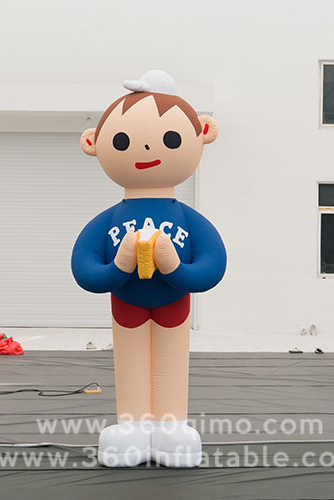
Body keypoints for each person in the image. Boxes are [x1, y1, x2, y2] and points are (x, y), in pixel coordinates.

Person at [72, 70, 226, 467]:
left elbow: (213, 265)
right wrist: (118, 266)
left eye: (171, 139)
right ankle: (133, 426)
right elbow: (84, 268)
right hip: (127, 304)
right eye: (123, 142)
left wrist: (175, 268)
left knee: (172, 364)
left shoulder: (187, 217)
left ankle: (171, 425)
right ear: (93, 143)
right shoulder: (110, 218)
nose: (143, 149)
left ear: (203, 133)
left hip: (174, 304)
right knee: (131, 365)